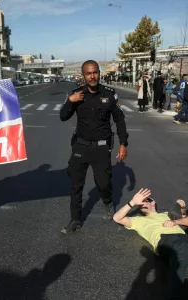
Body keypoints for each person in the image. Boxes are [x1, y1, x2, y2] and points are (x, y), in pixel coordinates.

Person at [113, 189, 188, 300]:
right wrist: (132, 202)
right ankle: (175, 296)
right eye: (140, 201)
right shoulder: (138, 220)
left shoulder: (167, 214)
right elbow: (117, 218)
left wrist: (181, 210)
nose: (141, 202)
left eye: (145, 199)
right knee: (181, 247)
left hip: (187, 243)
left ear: (153, 202)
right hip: (167, 241)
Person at [59, 60, 129, 234]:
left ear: (99, 73)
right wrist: (70, 101)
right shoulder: (77, 94)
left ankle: (107, 202)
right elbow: (63, 116)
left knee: (103, 183)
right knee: (76, 185)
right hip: (81, 146)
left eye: (95, 72)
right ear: (83, 76)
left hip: (101, 148)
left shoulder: (110, 94)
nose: (92, 76)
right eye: (88, 73)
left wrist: (123, 144)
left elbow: (120, 120)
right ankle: (75, 219)